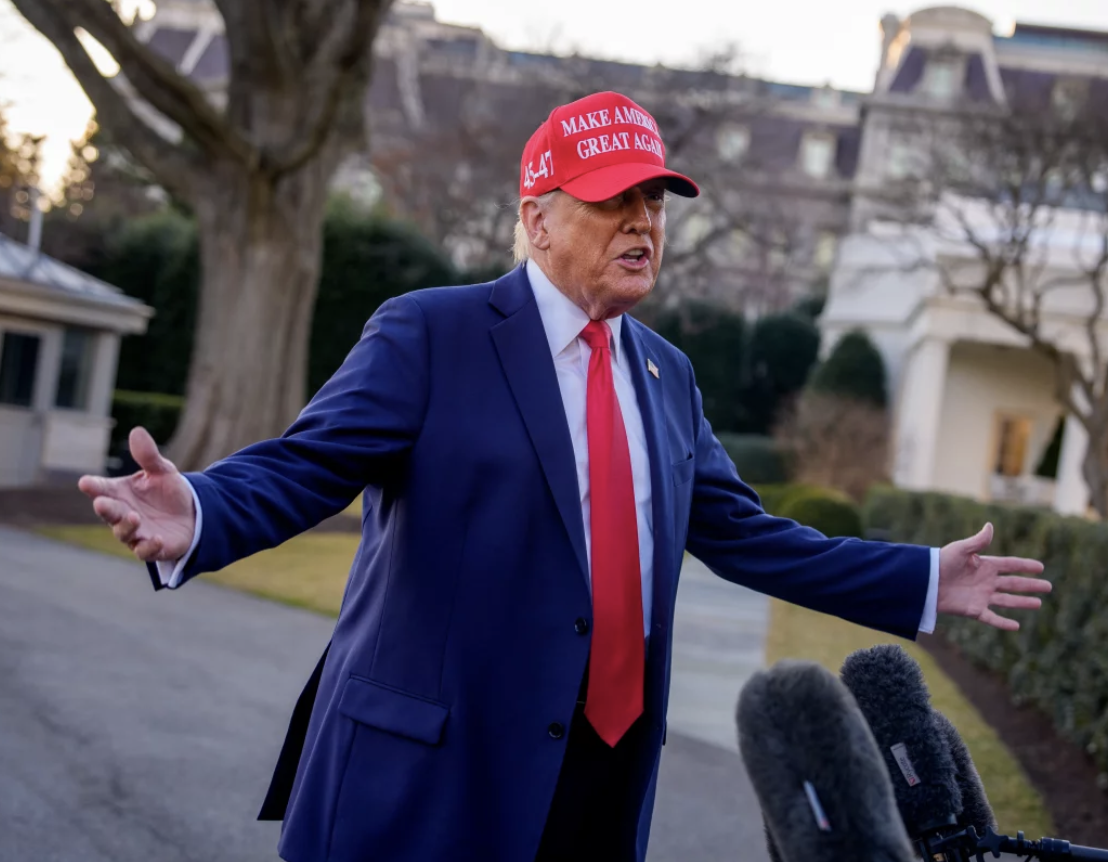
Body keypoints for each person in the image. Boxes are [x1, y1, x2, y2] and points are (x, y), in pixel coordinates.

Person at [78, 90, 1050, 862]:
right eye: (613, 200)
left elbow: (750, 536)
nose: (642, 223)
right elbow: (304, 466)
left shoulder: (667, 377)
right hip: (429, 774)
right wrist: (201, 507)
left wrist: (919, 577)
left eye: (653, 202)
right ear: (536, 220)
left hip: (598, 775)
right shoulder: (433, 333)